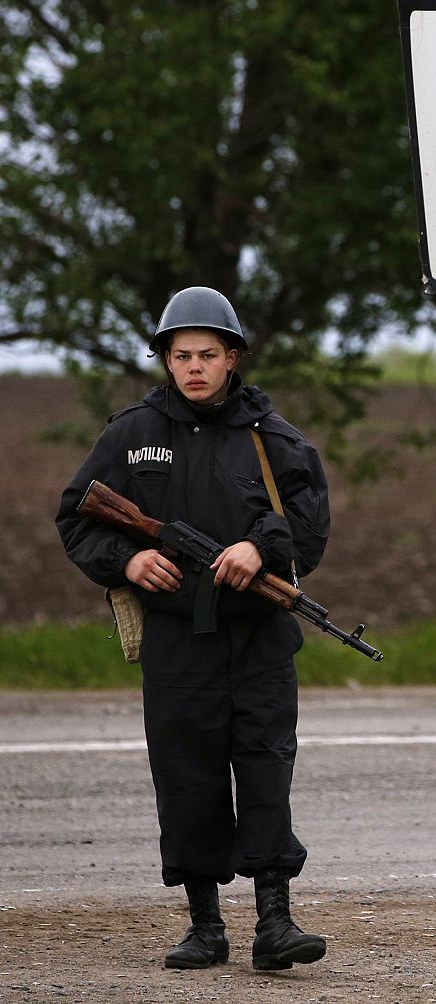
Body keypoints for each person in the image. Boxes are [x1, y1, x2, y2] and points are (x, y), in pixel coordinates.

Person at [56, 286, 332, 972]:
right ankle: (205, 924)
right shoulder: (131, 435)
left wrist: (260, 549)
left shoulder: (274, 438)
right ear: (166, 360)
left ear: (233, 357)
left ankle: (275, 920)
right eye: (182, 355)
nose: (196, 367)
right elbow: (76, 516)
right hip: (179, 641)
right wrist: (130, 558)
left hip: (260, 638)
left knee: (266, 767)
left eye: (209, 354)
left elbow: (310, 523)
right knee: (186, 774)